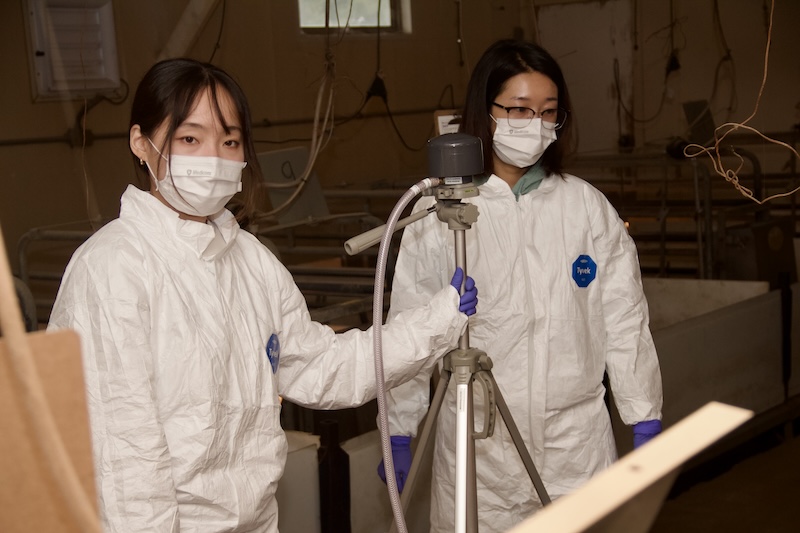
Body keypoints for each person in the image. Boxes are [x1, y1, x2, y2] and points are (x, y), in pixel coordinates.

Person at [47, 58, 478, 533]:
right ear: (141, 144)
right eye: (191, 139)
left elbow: (321, 367)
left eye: (229, 141)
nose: (213, 157)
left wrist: (437, 322)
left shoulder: (247, 259)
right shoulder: (112, 269)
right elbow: (122, 463)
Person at [379, 39, 663, 533]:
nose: (534, 124)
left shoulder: (584, 208)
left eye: (548, 112)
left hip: (573, 444)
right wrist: (398, 430)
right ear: (484, 111)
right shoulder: (441, 213)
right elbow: (408, 326)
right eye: (518, 109)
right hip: (479, 446)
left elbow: (623, 316)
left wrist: (644, 414)